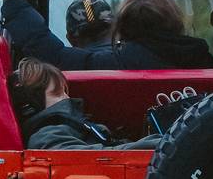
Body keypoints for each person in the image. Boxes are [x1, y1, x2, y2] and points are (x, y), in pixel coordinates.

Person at [0, 0, 213, 70]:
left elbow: (47, 49)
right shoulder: (204, 61)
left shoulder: (108, 63)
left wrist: (15, 4)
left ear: (123, 26)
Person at [10, 60, 156, 150]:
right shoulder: (46, 138)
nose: (67, 99)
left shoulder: (70, 128)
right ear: (30, 108)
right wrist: (161, 144)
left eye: (65, 93)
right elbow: (98, 158)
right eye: (57, 94)